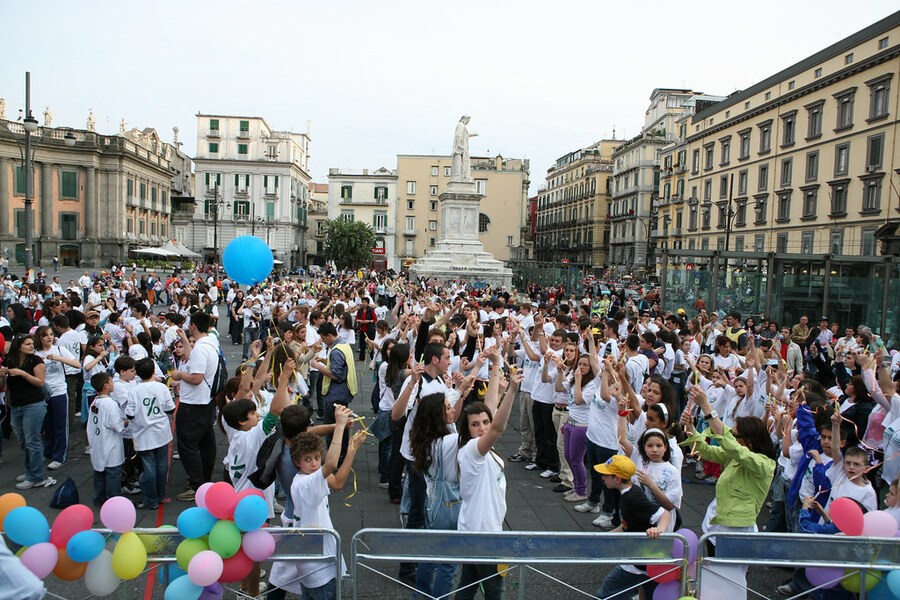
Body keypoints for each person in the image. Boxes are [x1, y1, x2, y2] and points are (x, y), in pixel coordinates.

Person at [680, 385, 776, 599]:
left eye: (735, 434)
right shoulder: (738, 454)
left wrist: (706, 406)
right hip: (717, 526)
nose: (731, 436)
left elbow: (733, 448)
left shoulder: (764, 464)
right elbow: (708, 450)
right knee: (715, 579)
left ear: (748, 441)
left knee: (730, 583)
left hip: (736, 532)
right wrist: (692, 430)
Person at [454, 357, 521, 600]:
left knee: (467, 586)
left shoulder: (480, 449)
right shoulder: (472, 451)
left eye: (483, 423)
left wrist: (495, 368)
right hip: (483, 535)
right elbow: (496, 427)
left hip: (478, 530)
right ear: (467, 429)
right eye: (475, 425)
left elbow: (490, 409)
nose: (481, 427)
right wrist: (512, 390)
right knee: (494, 591)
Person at [286, 406, 365, 600]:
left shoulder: (310, 475)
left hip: (315, 561)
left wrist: (352, 450)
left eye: (316, 458)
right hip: (318, 567)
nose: (314, 463)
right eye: (308, 459)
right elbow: (330, 465)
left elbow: (337, 482)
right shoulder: (306, 483)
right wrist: (339, 427)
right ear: (297, 462)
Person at [593, 455, 671, 600]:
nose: (603, 478)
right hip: (643, 558)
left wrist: (658, 530)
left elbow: (664, 514)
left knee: (604, 595)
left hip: (639, 561)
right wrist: (605, 537)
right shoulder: (627, 493)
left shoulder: (632, 497)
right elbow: (625, 525)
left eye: (606, 475)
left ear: (617, 478)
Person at [169, 311, 220, 501]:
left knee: (188, 447)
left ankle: (197, 485)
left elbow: (196, 378)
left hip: (193, 404)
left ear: (193, 326)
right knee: (206, 444)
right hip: (205, 402)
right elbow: (195, 361)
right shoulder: (211, 342)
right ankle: (203, 480)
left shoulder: (200, 348)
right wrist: (183, 338)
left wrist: (180, 375)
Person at [2, 334, 55, 490]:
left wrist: (23, 373)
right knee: (24, 440)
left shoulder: (36, 361)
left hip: (34, 405)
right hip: (16, 405)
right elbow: (3, 386)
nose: (32, 346)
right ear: (19, 346)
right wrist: (2, 376)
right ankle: (31, 470)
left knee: (33, 441)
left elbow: (40, 383)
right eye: (28, 344)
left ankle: (37, 477)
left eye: (32, 343)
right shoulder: (9, 361)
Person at [125, 358, 176, 510]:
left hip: (144, 434)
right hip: (161, 432)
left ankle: (150, 499)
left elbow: (130, 413)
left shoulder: (134, 391)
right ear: (154, 371)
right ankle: (160, 495)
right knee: (162, 466)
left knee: (148, 468)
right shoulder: (161, 387)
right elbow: (170, 408)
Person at [310, 322, 357, 461]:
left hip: (335, 394)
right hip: (344, 392)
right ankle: (341, 455)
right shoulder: (344, 345)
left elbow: (336, 375)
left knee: (333, 428)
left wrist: (318, 366)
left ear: (329, 335)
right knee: (342, 426)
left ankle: (335, 458)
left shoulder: (336, 350)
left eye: (324, 338)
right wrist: (325, 361)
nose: (323, 342)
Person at [87, 373, 125, 506]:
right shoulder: (110, 403)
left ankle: (99, 498)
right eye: (111, 381)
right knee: (113, 474)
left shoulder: (95, 401)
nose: (113, 383)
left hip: (97, 442)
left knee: (99, 472)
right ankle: (113, 501)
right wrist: (125, 422)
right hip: (110, 444)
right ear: (106, 386)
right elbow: (116, 425)